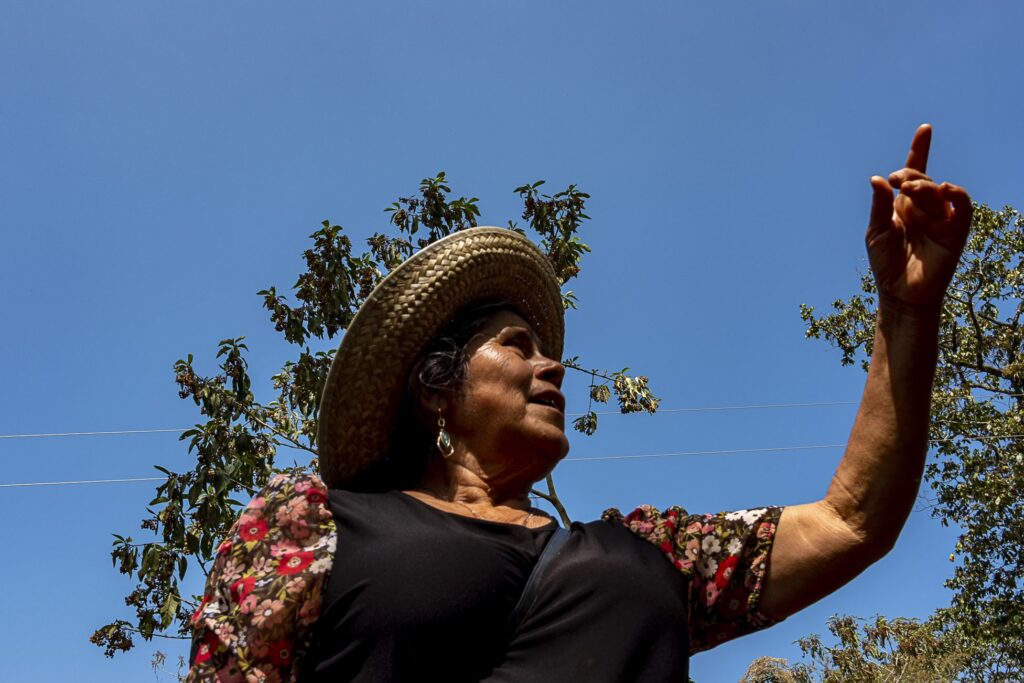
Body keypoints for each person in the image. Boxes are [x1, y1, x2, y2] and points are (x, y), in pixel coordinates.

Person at [187, 124, 973, 682]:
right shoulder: (317, 524)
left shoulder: (652, 553)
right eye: (517, 346)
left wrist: (908, 315)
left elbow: (852, 522)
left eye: (547, 347)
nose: (552, 365)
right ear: (436, 386)